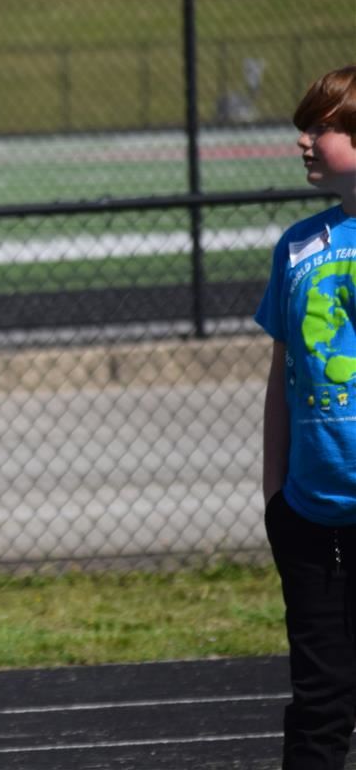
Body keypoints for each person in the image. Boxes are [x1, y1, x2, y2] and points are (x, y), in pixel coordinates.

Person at [257, 65, 356, 770]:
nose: (305, 139)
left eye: (323, 127)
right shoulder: (297, 245)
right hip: (310, 515)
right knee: (319, 704)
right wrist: (276, 496)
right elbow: (280, 377)